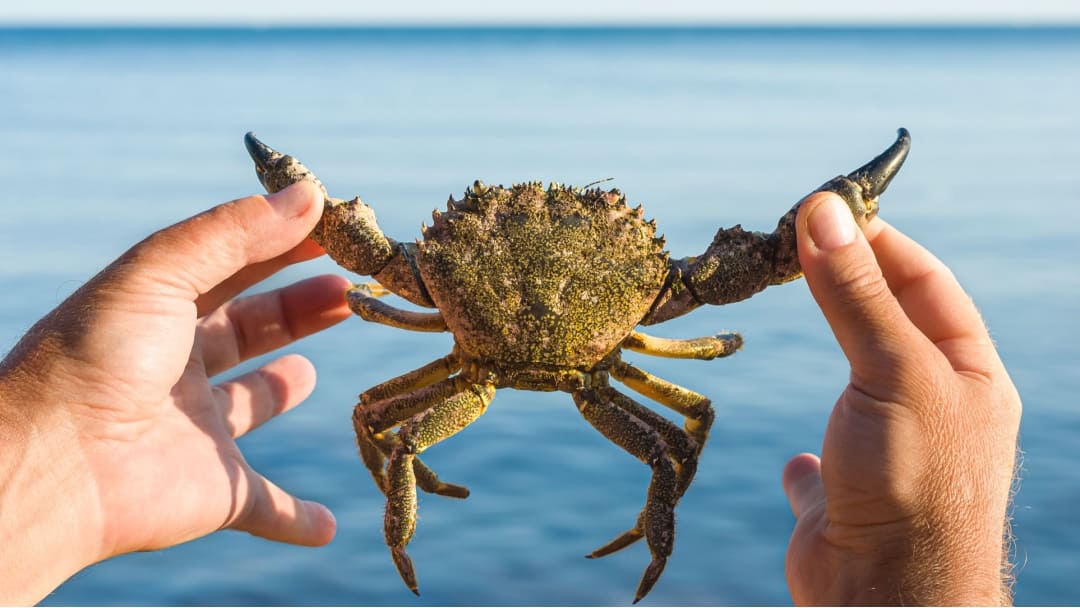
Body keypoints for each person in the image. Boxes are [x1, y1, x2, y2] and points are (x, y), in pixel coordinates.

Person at [0, 182, 1021, 605]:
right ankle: (647, 541)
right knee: (675, 435)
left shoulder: (426, 273)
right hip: (604, 373)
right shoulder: (652, 278)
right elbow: (710, 324)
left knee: (383, 425)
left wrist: (45, 461)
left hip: (464, 371)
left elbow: (377, 301)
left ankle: (407, 521)